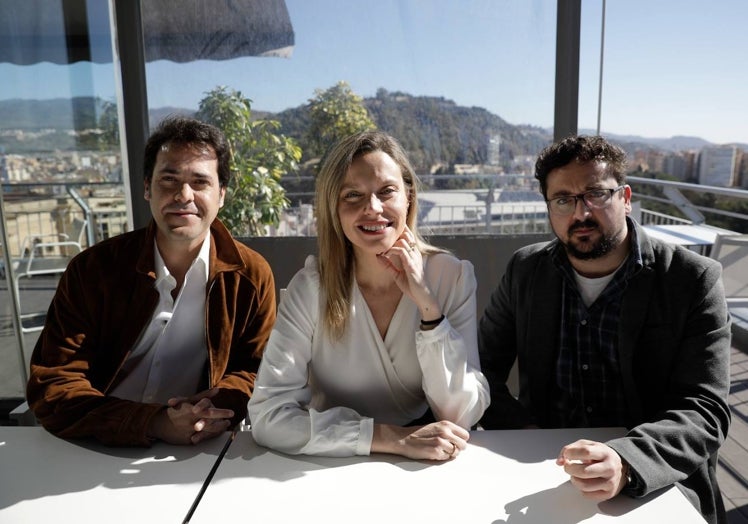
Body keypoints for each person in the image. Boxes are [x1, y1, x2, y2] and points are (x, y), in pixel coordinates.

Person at [478, 135, 731, 524]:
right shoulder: (525, 271)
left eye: (595, 194)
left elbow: (705, 408)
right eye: (563, 200)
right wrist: (523, 430)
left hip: (652, 481)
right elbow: (480, 368)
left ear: (625, 197)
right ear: (549, 207)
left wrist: (626, 460)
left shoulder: (690, 279)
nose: (580, 213)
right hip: (545, 472)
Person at [27, 116, 277, 447]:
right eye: (168, 180)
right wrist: (153, 422)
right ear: (147, 188)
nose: (183, 195)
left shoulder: (250, 275)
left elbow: (257, 370)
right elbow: (53, 383)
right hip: (94, 439)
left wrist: (209, 411)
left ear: (222, 195)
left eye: (200, 182)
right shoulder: (93, 270)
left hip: (195, 446)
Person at [248, 130, 490, 460]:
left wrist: (428, 307)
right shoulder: (310, 288)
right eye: (352, 196)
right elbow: (267, 415)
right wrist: (390, 438)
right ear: (334, 208)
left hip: (429, 461)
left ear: (409, 196)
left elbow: (462, 414)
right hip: (330, 460)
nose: (372, 208)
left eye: (386, 191)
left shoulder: (452, 276)